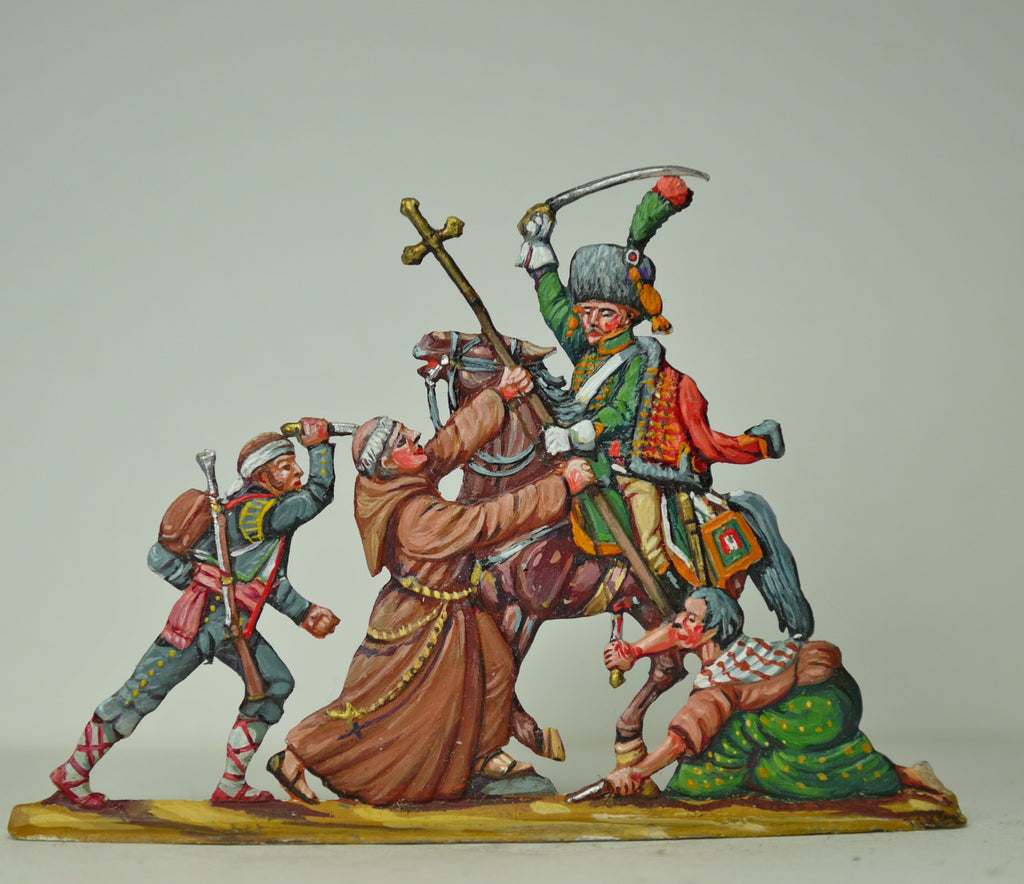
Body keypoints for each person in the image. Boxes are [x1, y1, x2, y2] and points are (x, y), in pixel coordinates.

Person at [273, 366, 596, 805]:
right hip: (415, 621)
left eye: (407, 432)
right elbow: (484, 520)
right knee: (373, 703)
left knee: (498, 667)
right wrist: (560, 486)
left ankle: (484, 755)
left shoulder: (395, 474)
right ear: (389, 461)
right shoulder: (413, 517)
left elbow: (448, 444)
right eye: (404, 440)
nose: (415, 438)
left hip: (454, 606)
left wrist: (497, 395)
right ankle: (295, 754)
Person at [518, 176, 811, 644]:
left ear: (630, 316)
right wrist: (541, 254)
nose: (591, 322)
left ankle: (677, 601)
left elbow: (623, 411)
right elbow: (555, 309)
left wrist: (576, 434)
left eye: (604, 313)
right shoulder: (587, 347)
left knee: (649, 541)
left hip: (631, 468)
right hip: (585, 460)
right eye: (586, 311)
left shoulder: (638, 359)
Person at [49, 419, 340, 807]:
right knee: (140, 694)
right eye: (286, 466)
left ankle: (231, 785)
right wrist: (318, 447)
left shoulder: (262, 517)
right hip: (200, 621)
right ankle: (73, 772)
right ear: (263, 476)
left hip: (234, 624)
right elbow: (315, 497)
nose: (297, 472)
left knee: (273, 684)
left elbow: (262, 579)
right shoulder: (254, 513)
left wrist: (304, 613)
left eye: (295, 464)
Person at [600, 587, 900, 800]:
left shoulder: (725, 678)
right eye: (684, 611)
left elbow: (682, 737)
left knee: (698, 779)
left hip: (817, 707)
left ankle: (881, 776)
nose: (680, 619)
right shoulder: (727, 647)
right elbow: (673, 631)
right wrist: (634, 651)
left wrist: (637, 773)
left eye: (691, 617)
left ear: (711, 631)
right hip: (826, 686)